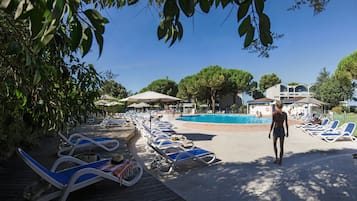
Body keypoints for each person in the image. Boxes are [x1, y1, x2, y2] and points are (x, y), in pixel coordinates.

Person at [268, 100, 289, 165]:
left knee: (275, 144)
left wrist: (269, 132)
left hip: (276, 130)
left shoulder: (274, 114)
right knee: (281, 146)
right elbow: (286, 124)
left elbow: (272, 123)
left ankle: (277, 158)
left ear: (277, 106)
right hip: (282, 130)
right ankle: (280, 160)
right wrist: (287, 131)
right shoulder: (284, 114)